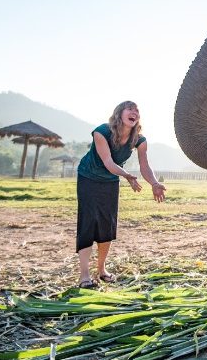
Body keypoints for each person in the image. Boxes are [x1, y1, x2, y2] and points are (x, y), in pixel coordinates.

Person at [75, 101, 166, 288]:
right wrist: (126, 176)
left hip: (110, 181)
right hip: (88, 178)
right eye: (130, 109)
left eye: (137, 110)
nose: (135, 112)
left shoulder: (139, 140)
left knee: (107, 225)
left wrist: (155, 183)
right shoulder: (102, 132)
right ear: (120, 113)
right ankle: (84, 275)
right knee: (88, 223)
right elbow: (108, 161)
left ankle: (101, 270)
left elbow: (144, 165)